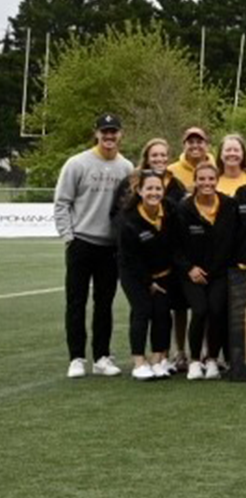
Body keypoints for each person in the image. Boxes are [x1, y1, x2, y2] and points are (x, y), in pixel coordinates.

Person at [55, 114, 134, 378]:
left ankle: (102, 356)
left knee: (105, 302)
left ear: (121, 134)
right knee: (76, 302)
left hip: (110, 247)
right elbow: (62, 202)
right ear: (97, 133)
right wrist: (68, 236)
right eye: (105, 132)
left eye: (114, 132)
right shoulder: (77, 164)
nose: (109, 137)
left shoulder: (126, 167)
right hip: (82, 242)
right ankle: (76, 357)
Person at [172, 162, 235, 380]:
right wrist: (189, 268)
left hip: (219, 272)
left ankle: (212, 359)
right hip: (192, 273)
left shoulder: (229, 205)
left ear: (217, 180)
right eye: (202, 179)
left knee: (217, 311)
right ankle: (195, 361)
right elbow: (175, 245)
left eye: (211, 179)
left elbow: (234, 240)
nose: (207, 183)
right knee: (199, 311)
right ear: (195, 181)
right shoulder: (184, 208)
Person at [118, 170, 176, 380]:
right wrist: (149, 282)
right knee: (142, 310)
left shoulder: (170, 210)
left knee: (162, 312)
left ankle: (157, 359)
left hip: (164, 273)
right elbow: (130, 258)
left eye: (158, 188)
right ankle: (139, 362)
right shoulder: (129, 220)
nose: (154, 192)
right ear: (140, 191)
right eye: (149, 188)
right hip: (135, 275)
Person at [126, 137, 186, 210]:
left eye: (163, 155)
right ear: (147, 159)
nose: (159, 159)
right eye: (154, 155)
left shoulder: (177, 185)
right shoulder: (131, 181)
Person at [167, 126, 212, 192]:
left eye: (199, 142)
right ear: (183, 146)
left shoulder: (217, 169)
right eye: (191, 142)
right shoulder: (171, 172)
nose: (195, 146)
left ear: (207, 146)